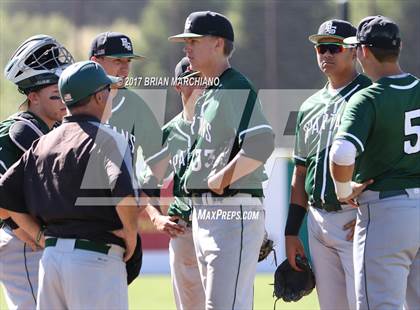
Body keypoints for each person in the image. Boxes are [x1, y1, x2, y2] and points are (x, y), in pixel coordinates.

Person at [0, 60, 139, 310]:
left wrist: (38, 235)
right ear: (98, 97)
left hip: (51, 260)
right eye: (107, 91)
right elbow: (124, 197)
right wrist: (130, 235)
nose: (110, 96)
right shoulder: (108, 137)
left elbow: (3, 196)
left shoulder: (44, 142)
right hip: (95, 259)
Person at [169, 11, 275, 309]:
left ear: (218, 44)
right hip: (206, 213)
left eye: (193, 41)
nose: (186, 47)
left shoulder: (235, 86)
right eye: (185, 42)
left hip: (231, 209)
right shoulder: (211, 93)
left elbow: (262, 141)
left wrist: (223, 178)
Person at [329, 15, 420, 310]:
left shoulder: (368, 98)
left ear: (363, 51)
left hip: (387, 212)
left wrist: (344, 191)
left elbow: (341, 154)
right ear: (399, 47)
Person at [284, 20, 372, 309]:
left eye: (334, 47)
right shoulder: (309, 106)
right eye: (321, 47)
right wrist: (291, 231)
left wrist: (373, 214)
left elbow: (387, 159)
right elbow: (300, 172)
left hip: (355, 219)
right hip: (318, 222)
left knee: (367, 303)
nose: (326, 54)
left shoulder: (370, 96)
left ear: (355, 51)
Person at [0, 34, 74, 310]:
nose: (64, 96)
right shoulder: (19, 132)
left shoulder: (51, 129)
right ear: (33, 96)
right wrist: (37, 236)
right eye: (55, 89)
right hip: (23, 246)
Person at [148, 57, 205, 309]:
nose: (200, 86)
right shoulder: (169, 133)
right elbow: (146, 184)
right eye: (192, 80)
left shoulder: (227, 127)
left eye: (204, 79)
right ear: (178, 86)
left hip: (222, 226)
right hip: (186, 231)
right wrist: (155, 217)